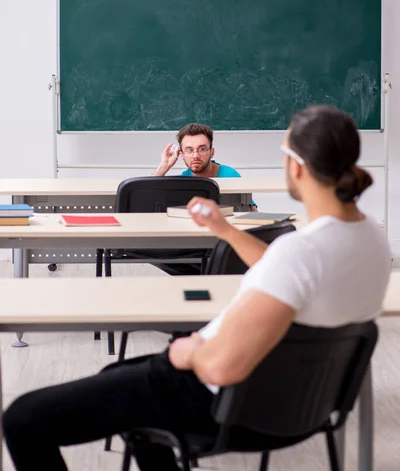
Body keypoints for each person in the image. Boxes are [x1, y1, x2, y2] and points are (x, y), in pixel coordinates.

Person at [3, 105, 391, 471]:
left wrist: (185, 352)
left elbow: (223, 365)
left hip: (216, 399)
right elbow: (284, 267)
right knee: (118, 375)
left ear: (298, 168)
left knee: (23, 419)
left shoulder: (300, 251)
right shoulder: (371, 240)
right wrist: (224, 230)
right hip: (299, 404)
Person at [152, 122, 258, 210]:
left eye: (202, 149)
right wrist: (163, 167)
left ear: (212, 152)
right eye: (189, 150)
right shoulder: (183, 180)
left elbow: (251, 212)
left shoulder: (231, 175)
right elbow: (147, 197)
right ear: (181, 155)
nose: (196, 156)